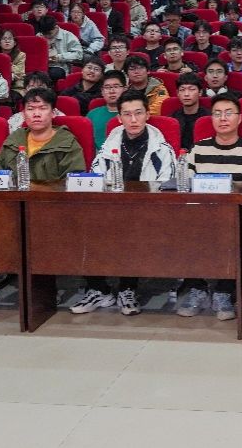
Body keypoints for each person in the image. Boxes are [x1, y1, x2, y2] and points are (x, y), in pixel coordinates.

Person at [0, 88, 85, 310]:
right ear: (23, 114)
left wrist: (39, 192)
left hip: (50, 212)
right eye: (31, 109)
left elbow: (75, 183)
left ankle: (44, 286)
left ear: (53, 113)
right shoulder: (14, 140)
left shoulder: (67, 143)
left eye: (42, 108)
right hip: (10, 208)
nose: (36, 114)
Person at [70, 91, 179, 317]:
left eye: (138, 113)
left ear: (147, 114)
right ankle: (98, 289)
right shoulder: (109, 145)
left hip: (148, 210)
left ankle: (127, 289)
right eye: (127, 115)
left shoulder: (161, 148)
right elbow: (96, 177)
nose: (133, 120)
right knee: (83, 224)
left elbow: (167, 185)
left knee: (131, 227)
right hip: (110, 207)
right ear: (119, 118)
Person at [178, 94, 242, 321]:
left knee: (235, 230)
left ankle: (223, 291)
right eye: (217, 114)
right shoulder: (198, 150)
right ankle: (196, 288)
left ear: (239, 118)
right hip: (201, 214)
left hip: (236, 216)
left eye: (228, 113)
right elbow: (185, 186)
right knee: (185, 228)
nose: (223, 118)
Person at [86, 69, 126, 148]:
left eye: (116, 86)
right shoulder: (92, 114)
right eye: (107, 87)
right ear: (102, 91)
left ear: (125, 89)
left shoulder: (132, 115)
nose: (112, 91)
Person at [171, 72, 210, 150]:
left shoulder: (209, 118)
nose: (186, 94)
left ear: (200, 92)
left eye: (191, 89)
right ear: (177, 93)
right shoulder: (172, 119)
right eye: (182, 90)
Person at [38, 15, 83, 82]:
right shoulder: (39, 36)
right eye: (44, 34)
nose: (47, 36)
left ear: (56, 27)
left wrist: (59, 57)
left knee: (54, 73)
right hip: (42, 66)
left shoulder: (68, 36)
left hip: (59, 66)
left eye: (49, 33)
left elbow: (79, 54)